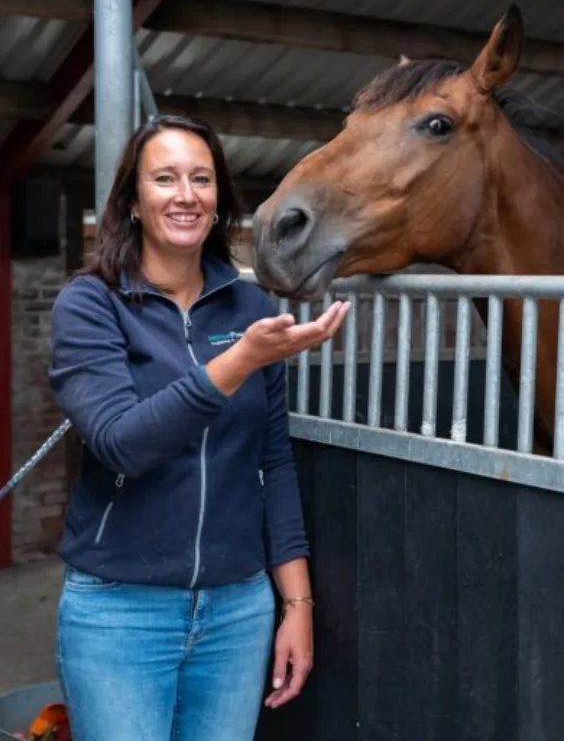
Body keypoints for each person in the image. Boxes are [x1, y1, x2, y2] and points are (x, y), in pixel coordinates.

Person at [48, 114, 349, 741]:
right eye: (164, 178)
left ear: (219, 203)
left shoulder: (251, 308)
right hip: (120, 612)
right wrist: (238, 361)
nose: (186, 194)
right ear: (133, 201)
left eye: (201, 179)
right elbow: (122, 444)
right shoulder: (91, 303)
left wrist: (296, 605)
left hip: (237, 612)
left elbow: (274, 463)